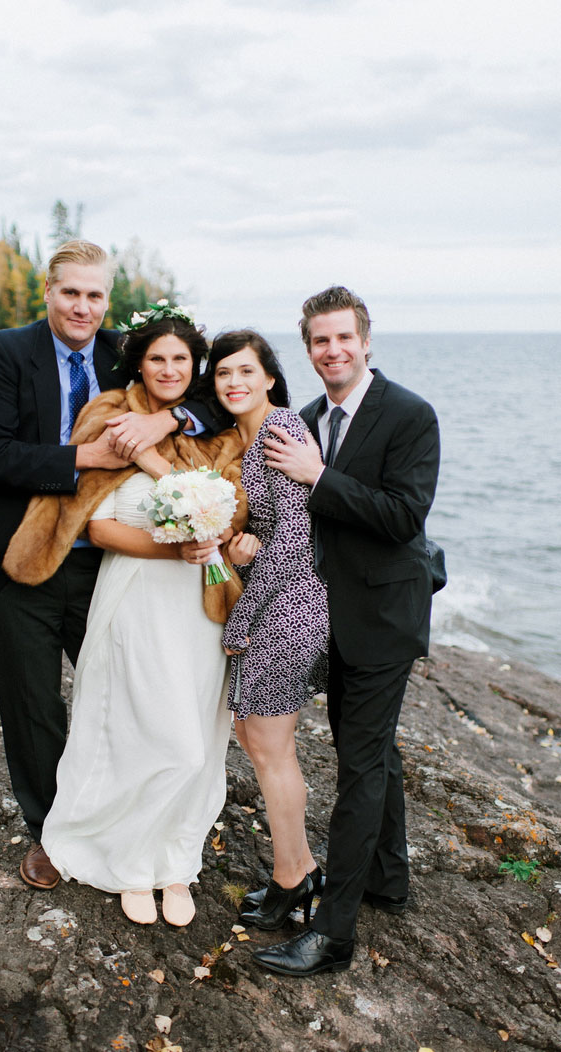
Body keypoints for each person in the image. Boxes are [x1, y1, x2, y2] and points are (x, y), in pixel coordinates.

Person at [0, 241, 216, 892]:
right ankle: (50, 835)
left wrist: (171, 419)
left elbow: (215, 392)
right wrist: (85, 458)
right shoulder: (5, 353)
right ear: (49, 291)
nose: (83, 307)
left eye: (96, 295)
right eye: (72, 292)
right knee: (34, 706)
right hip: (18, 560)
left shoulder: (125, 350)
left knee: (124, 701)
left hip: (111, 565)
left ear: (108, 301)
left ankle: (126, 826)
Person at [4, 309, 247, 926]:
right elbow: (99, 524)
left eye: (181, 361)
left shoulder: (217, 432)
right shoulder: (108, 414)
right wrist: (174, 541)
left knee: (194, 738)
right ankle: (128, 859)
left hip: (199, 606)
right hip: (135, 592)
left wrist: (213, 531)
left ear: (195, 369)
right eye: (157, 358)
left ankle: (174, 857)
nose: (169, 370)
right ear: (138, 361)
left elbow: (235, 510)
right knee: (136, 725)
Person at [254, 286, 440, 976]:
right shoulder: (302, 419)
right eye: (319, 341)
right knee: (374, 751)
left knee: (359, 765)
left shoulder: (410, 415)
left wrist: (318, 475)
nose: (332, 350)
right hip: (324, 618)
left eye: (343, 338)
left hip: (385, 618)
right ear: (307, 350)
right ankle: (390, 880)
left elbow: (402, 517)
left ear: (365, 341)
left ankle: (334, 935)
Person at [194, 330, 328, 929]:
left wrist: (246, 569)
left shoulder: (280, 433)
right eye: (223, 374)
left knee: (271, 748)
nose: (234, 383)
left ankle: (290, 883)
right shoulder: (244, 440)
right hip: (275, 599)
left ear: (270, 377)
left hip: (293, 605)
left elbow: (296, 539)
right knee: (255, 738)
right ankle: (300, 869)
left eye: (246, 371)